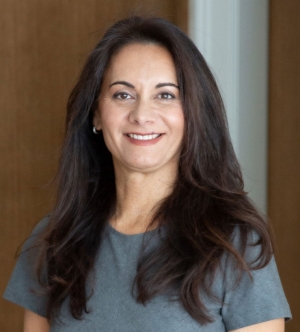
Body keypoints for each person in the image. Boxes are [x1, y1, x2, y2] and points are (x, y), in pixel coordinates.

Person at [4, 15, 291, 332]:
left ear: (192, 114)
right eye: (122, 94)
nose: (142, 115)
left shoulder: (233, 245)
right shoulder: (55, 242)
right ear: (96, 114)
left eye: (165, 95)